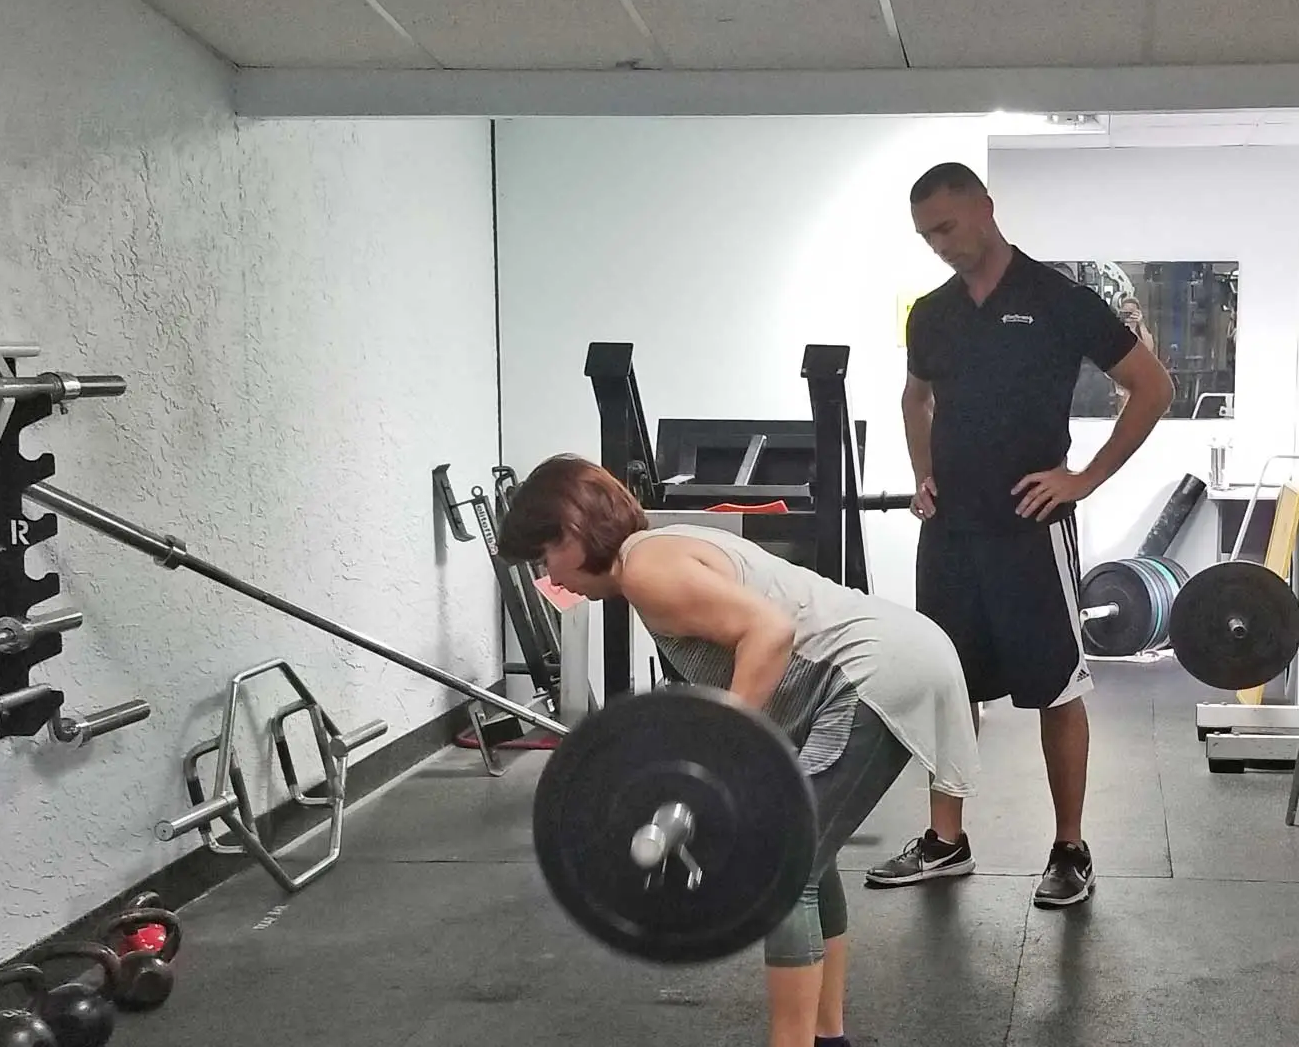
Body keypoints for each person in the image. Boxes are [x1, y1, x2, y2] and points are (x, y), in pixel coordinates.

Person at [497, 454, 980, 1047]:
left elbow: (769, 633)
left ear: (572, 531)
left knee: (783, 867)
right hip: (894, 656)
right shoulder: (656, 549)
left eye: (546, 556)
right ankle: (828, 1038)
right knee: (809, 855)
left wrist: (727, 751)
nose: (551, 577)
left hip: (871, 672)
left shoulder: (648, 569)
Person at [866, 162, 1174, 908]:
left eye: (947, 227)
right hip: (950, 534)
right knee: (947, 687)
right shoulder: (931, 314)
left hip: (1031, 530)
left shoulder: (1059, 300)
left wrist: (1084, 479)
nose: (938, 245)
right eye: (926, 235)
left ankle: (1070, 849)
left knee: (1055, 689)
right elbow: (915, 398)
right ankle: (946, 840)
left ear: (984, 209)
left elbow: (1153, 387)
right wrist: (923, 473)